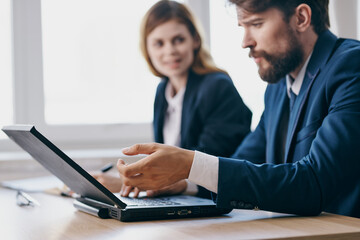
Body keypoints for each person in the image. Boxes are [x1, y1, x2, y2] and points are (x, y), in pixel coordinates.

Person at [117, 0, 360, 218]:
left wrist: (189, 164)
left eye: (256, 24)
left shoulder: (350, 67)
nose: (245, 42)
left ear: (301, 18)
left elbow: (313, 182)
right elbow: (243, 161)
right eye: (242, 27)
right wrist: (184, 182)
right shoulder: (278, 88)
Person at [93, 0, 252, 198]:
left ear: (195, 40)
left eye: (178, 40)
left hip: (220, 202)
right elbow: (165, 164)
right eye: (159, 43)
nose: (170, 51)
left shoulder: (217, 87)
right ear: (147, 49)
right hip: (181, 200)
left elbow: (208, 164)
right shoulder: (163, 91)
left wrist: (125, 183)